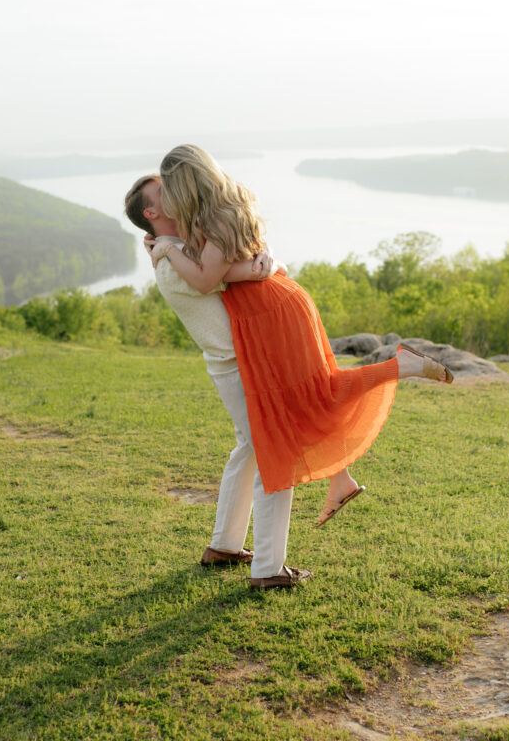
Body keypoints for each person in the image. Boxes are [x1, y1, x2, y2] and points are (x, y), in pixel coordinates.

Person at [149, 145, 453, 522]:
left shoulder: (213, 221)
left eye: (169, 189)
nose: (168, 199)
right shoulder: (228, 206)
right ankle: (340, 481)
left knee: (316, 395)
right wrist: (259, 265)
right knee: (307, 399)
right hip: (278, 306)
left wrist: (167, 248)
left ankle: (401, 366)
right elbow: (232, 265)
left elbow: (205, 278)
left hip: (273, 313)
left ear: (185, 186)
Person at [124, 174, 312, 590]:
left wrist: (264, 255)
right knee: (271, 451)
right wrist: (267, 260)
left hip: (236, 361)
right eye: (163, 194)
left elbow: (245, 261)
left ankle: (224, 546)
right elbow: (245, 272)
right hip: (238, 364)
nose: (175, 193)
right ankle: (268, 568)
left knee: (249, 447)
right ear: (152, 213)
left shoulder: (176, 248)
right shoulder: (173, 260)